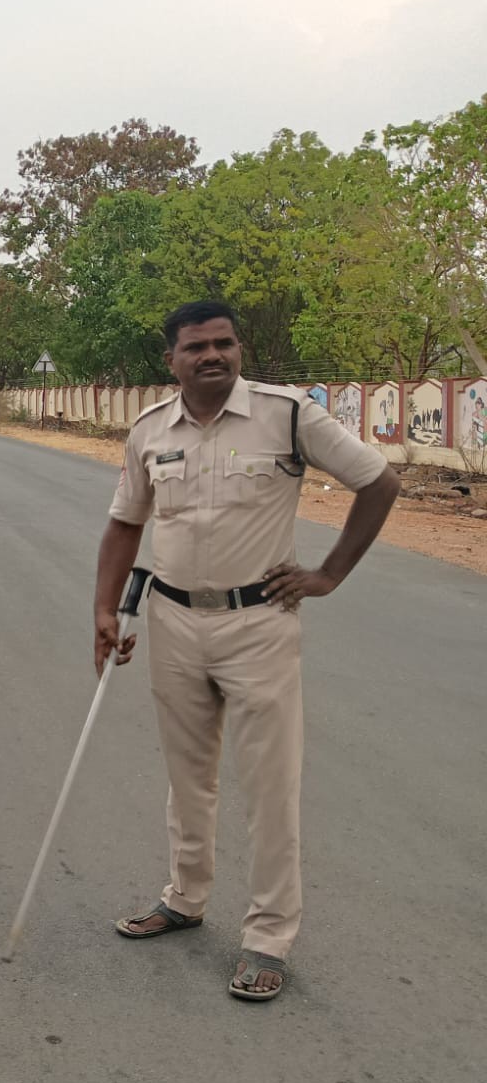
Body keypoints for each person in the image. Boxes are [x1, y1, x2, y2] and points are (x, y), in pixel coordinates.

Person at [95, 300, 399, 1003]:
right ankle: (184, 897)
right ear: (171, 360)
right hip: (173, 620)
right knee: (187, 776)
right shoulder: (148, 430)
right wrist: (104, 610)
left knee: (269, 787)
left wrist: (328, 575)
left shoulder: (286, 414)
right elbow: (124, 525)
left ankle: (268, 937)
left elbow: (379, 482)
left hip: (260, 623)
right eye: (196, 346)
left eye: (224, 344)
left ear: (239, 349)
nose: (213, 355)